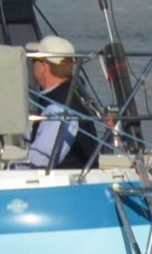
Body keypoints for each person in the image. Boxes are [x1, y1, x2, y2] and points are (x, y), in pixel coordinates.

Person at [21, 36, 96, 172]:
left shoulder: (59, 109)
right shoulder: (75, 90)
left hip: (65, 183)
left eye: (33, 61)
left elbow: (36, 164)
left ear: (44, 67)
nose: (32, 65)